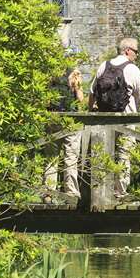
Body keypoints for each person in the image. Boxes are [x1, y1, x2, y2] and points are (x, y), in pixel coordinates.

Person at [90, 37, 140, 197]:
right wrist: (136, 113)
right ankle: (119, 191)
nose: (137, 55)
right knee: (124, 154)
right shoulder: (133, 69)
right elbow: (138, 96)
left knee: (105, 153)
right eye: (136, 51)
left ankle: (100, 190)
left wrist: (91, 114)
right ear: (127, 50)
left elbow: (92, 92)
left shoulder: (103, 66)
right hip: (126, 119)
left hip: (104, 119)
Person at [43, 66, 86, 200]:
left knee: (51, 157)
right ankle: (71, 192)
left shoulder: (50, 71)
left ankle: (48, 193)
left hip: (53, 118)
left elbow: (45, 100)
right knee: (71, 157)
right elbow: (80, 99)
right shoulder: (74, 73)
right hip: (71, 119)